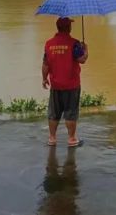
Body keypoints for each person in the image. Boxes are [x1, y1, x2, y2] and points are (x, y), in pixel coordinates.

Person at [42, 17, 88, 147]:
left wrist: (44, 78)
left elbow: (45, 64)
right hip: (71, 84)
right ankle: (72, 139)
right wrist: (86, 49)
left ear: (58, 27)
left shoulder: (49, 44)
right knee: (71, 112)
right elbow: (82, 59)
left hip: (55, 84)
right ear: (68, 28)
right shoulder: (74, 43)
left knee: (53, 112)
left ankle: (52, 138)